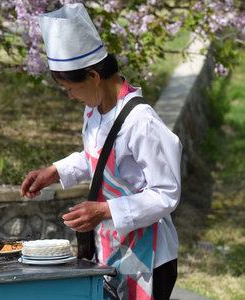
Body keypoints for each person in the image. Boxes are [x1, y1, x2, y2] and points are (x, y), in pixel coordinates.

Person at [20, 3, 182, 300]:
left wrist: (105, 210)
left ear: (93, 76)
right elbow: (99, 157)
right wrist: (55, 171)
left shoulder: (141, 121)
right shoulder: (94, 110)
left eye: (71, 88)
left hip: (148, 254)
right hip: (109, 244)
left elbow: (165, 193)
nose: (70, 96)